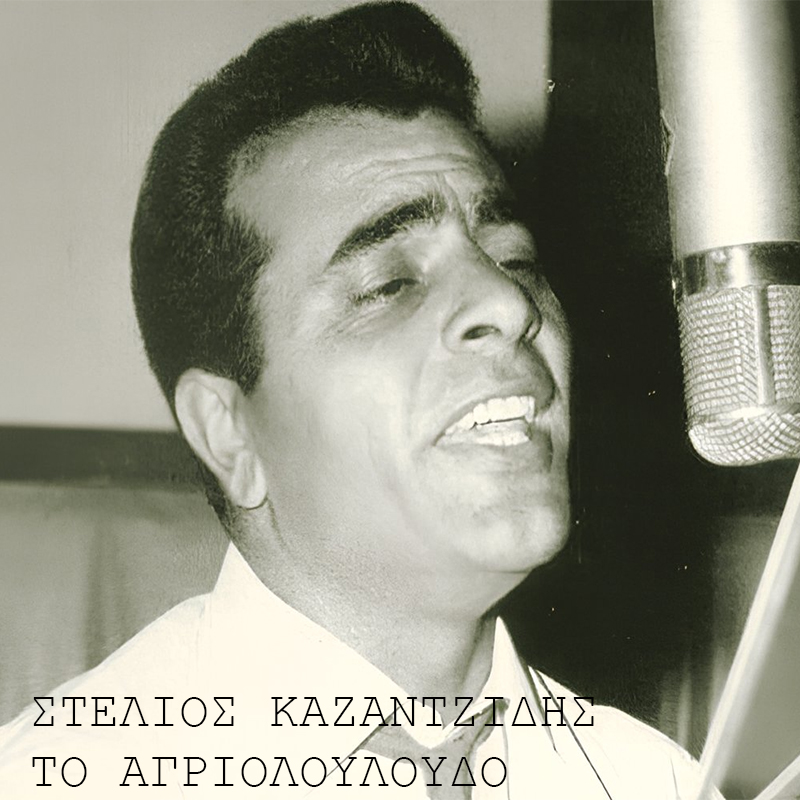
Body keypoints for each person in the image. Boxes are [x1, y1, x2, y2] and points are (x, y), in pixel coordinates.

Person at [0, 2, 716, 797]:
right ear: (230, 435)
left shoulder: (656, 782)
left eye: (514, 258)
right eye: (389, 283)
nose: (509, 304)